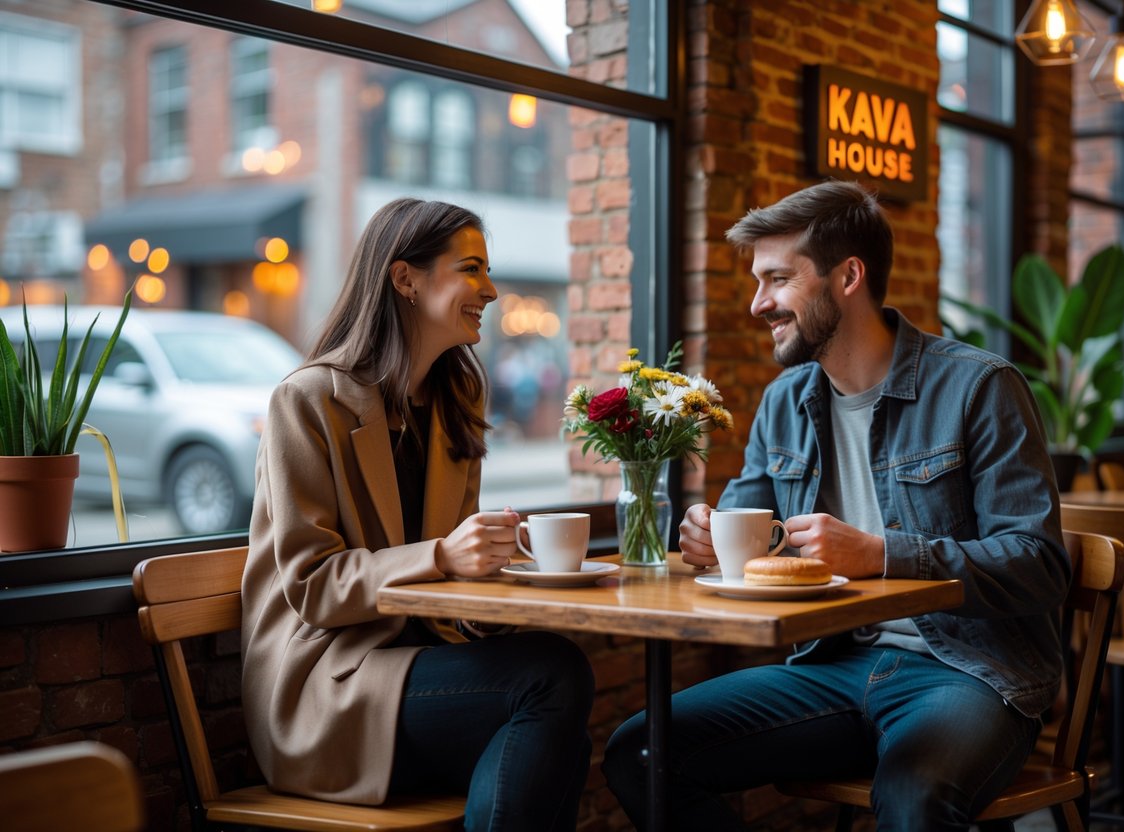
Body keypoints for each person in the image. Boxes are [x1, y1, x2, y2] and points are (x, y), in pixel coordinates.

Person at [602, 181, 1071, 831]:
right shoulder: (783, 401)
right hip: (828, 665)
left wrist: (881, 555)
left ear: (847, 276)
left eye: (775, 279)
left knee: (913, 797)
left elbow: (1038, 564)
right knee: (642, 751)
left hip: (968, 672)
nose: (756, 303)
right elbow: (749, 529)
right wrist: (707, 536)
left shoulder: (978, 386)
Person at [240, 198, 594, 831]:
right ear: (405, 279)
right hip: (330, 685)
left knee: (557, 721)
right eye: (472, 269)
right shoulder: (307, 400)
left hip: (418, 662)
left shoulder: (457, 394)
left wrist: (489, 572)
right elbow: (312, 585)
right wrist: (441, 556)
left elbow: (449, 585)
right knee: (551, 684)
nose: (489, 290)